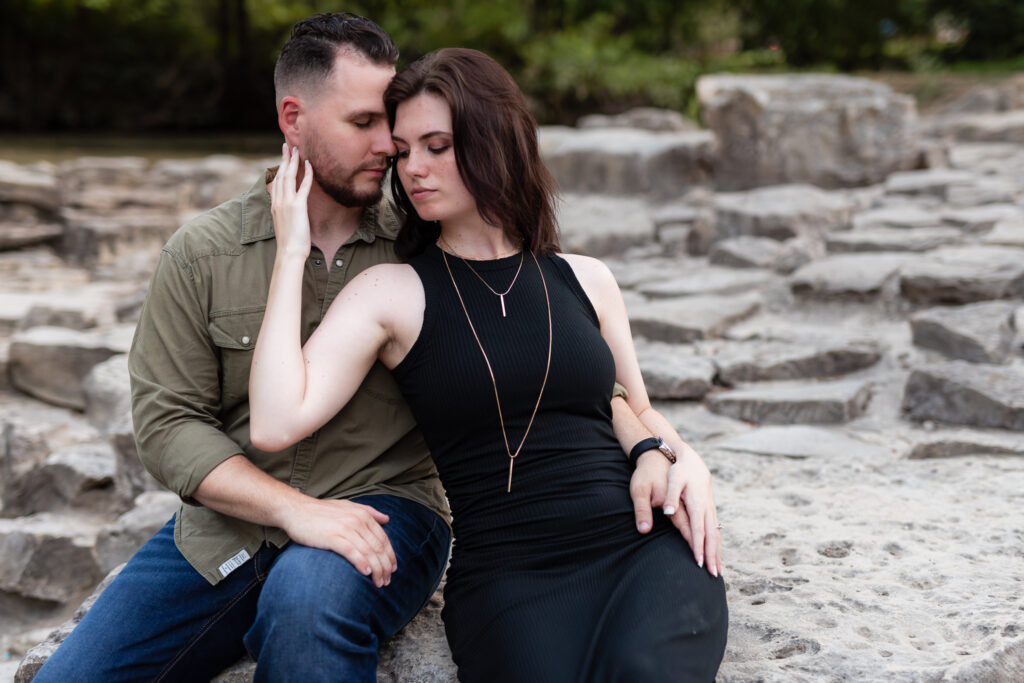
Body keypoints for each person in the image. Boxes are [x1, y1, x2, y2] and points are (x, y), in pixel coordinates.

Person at [251, 47, 729, 682]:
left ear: (493, 142)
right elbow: (275, 421)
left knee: (644, 671)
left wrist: (677, 457)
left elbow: (633, 407)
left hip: (638, 546)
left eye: (437, 146)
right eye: (403, 150)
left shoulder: (585, 279)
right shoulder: (393, 293)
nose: (414, 168)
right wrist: (291, 254)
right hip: (510, 574)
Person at [34, 14, 453, 682]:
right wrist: (296, 511)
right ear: (295, 118)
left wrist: (643, 437)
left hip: (385, 510)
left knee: (306, 599)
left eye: (391, 123)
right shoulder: (203, 252)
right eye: (364, 123)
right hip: (228, 530)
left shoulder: (426, 238)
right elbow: (169, 424)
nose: (388, 145)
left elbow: (529, 334)